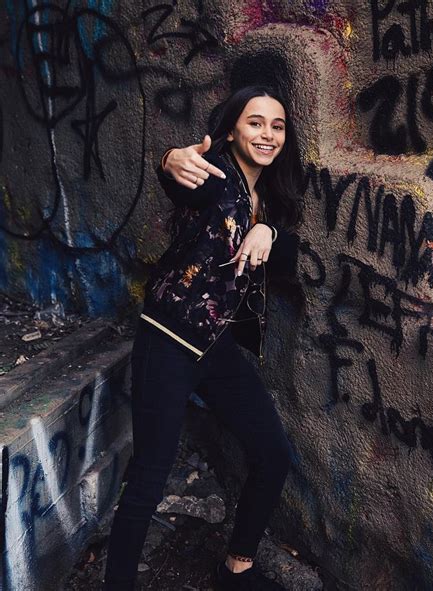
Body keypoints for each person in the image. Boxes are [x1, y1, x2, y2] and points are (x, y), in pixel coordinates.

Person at [102, 84, 304, 590]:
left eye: (277, 126)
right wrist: (170, 159)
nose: (267, 134)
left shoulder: (270, 199)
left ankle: (236, 568)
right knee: (149, 478)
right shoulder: (215, 175)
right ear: (233, 129)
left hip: (215, 348)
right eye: (255, 122)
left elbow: (290, 256)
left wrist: (269, 233)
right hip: (167, 339)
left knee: (273, 453)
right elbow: (178, 177)